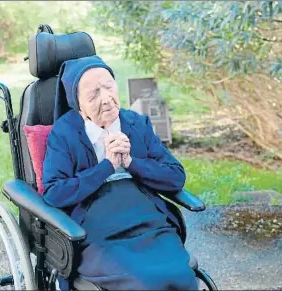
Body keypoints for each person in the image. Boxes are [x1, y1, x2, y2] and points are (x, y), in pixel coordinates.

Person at [42, 55, 198, 290]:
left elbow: (175, 176)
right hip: (97, 228)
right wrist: (106, 166)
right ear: (78, 105)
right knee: (140, 282)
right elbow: (54, 192)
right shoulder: (64, 133)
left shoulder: (136, 123)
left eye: (108, 87)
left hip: (148, 221)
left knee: (179, 276)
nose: (106, 99)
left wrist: (131, 162)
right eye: (94, 94)